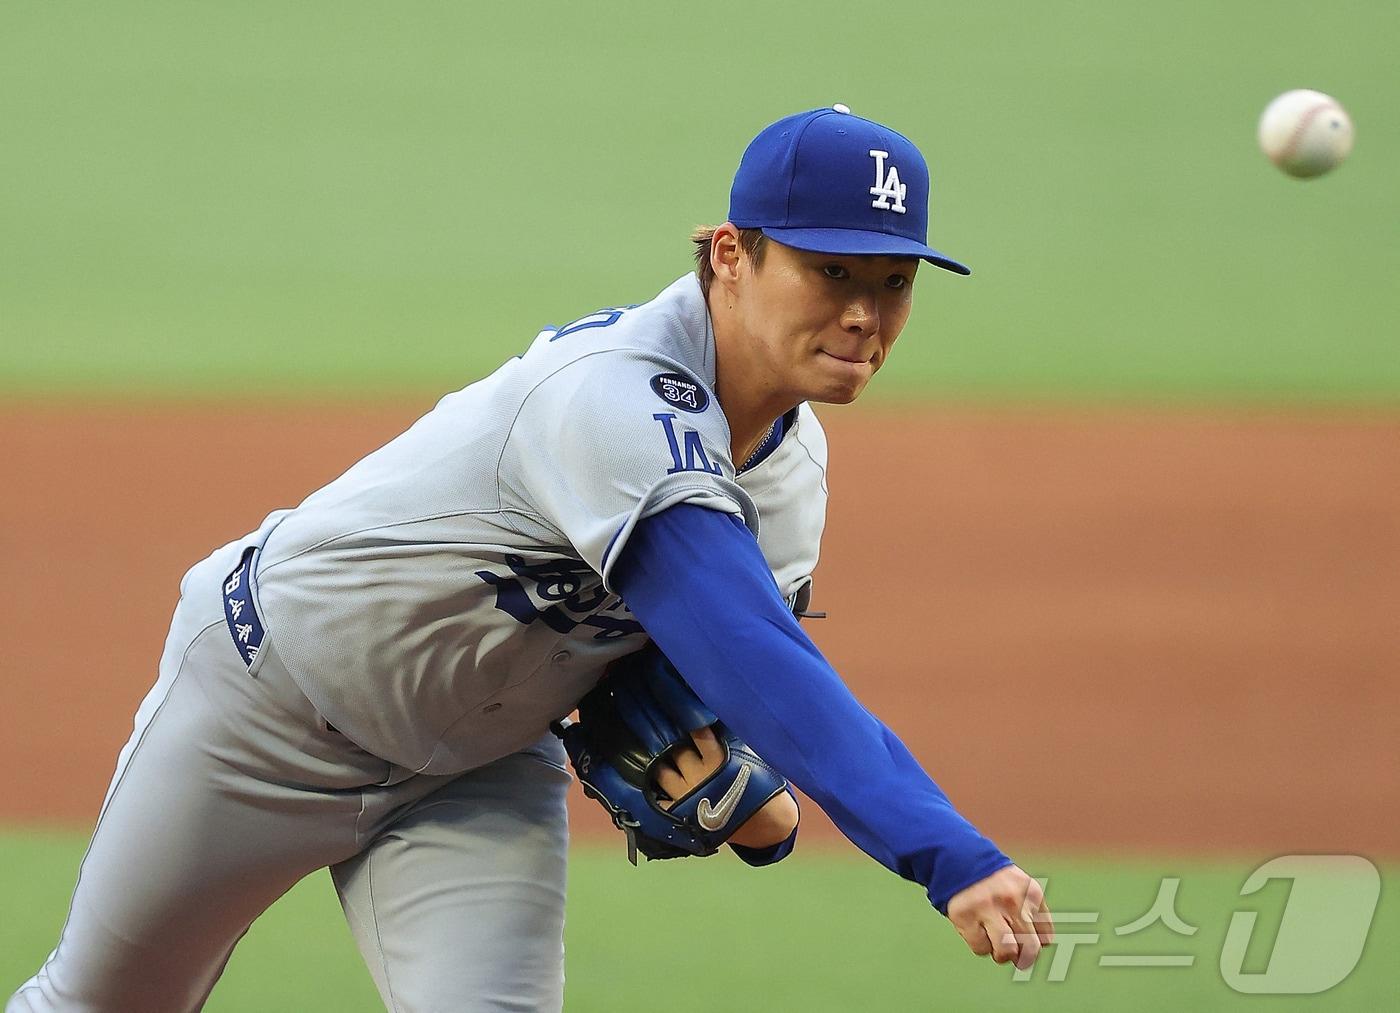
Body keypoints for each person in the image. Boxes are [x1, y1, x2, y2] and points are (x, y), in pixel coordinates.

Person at [8, 104, 1052, 1013]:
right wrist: (945, 848)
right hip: (263, 711)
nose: (864, 315)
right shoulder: (610, 398)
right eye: (829, 271)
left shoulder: (791, 480)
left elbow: (714, 699)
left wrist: (756, 810)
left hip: (472, 770)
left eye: (892, 280)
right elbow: (749, 649)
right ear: (730, 255)